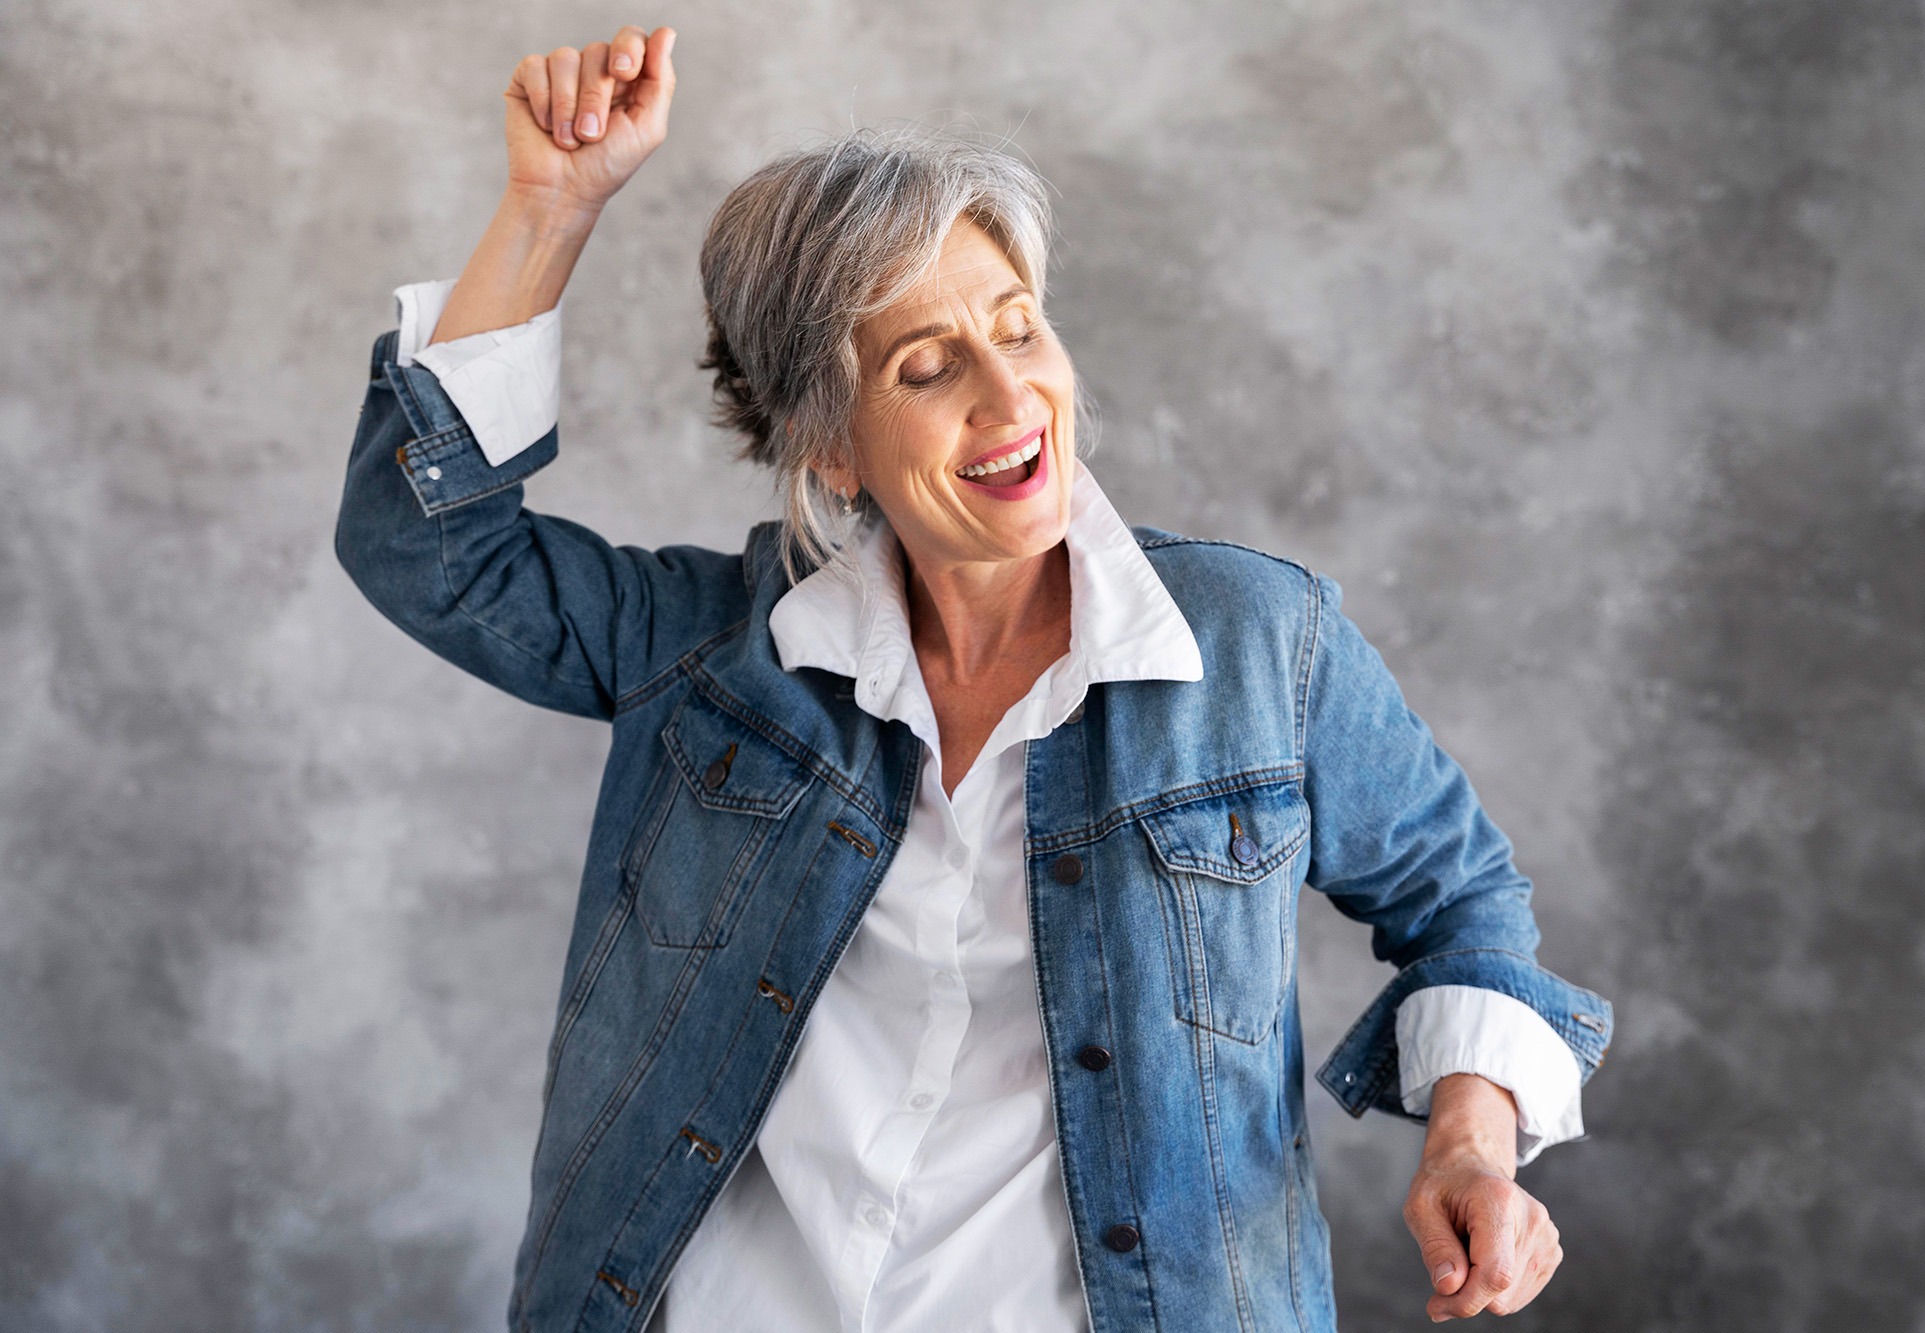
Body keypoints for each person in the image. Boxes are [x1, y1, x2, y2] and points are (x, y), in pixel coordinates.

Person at [334, 24, 1613, 1333]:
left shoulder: (1257, 644)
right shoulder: (711, 651)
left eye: (1019, 328)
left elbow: (1463, 905)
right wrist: (550, 210)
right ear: (832, 449)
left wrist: (1470, 1144)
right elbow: (427, 546)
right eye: (927, 365)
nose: (1013, 397)